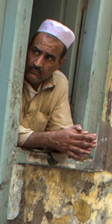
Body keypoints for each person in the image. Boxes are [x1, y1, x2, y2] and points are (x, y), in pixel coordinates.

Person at [17, 19, 97, 161]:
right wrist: (49, 139)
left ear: (59, 63)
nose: (37, 63)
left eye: (49, 58)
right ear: (27, 48)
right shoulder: (12, 71)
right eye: (35, 52)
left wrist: (73, 142)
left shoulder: (59, 82)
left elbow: (60, 134)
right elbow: (5, 130)